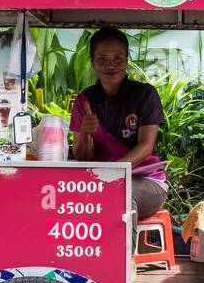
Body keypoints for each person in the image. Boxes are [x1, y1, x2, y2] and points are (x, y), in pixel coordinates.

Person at [69, 27, 168, 217]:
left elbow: (146, 147)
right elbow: (82, 157)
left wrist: (113, 174)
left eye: (117, 59)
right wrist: (85, 132)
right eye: (102, 59)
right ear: (92, 63)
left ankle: (125, 249)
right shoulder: (84, 100)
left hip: (146, 181)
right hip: (99, 181)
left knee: (121, 196)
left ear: (126, 61)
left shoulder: (145, 94)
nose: (110, 65)